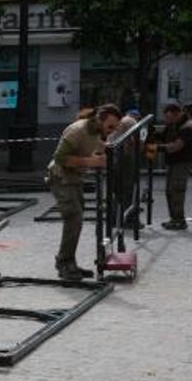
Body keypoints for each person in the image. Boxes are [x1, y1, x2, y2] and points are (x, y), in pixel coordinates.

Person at [46, 104, 123, 280]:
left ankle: (68, 262)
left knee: (76, 220)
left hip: (73, 178)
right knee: (74, 218)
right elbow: (60, 158)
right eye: (110, 127)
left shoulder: (95, 131)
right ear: (99, 120)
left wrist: (107, 148)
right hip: (61, 178)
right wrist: (92, 162)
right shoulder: (77, 130)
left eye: (114, 128)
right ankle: (65, 263)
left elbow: (97, 144)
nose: (111, 130)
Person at [154, 102, 192, 230]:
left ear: (175, 114)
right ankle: (174, 219)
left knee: (176, 190)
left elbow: (177, 146)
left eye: (168, 117)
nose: (166, 120)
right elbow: (162, 136)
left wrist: (157, 147)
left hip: (182, 161)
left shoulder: (188, 126)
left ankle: (179, 220)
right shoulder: (174, 124)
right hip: (173, 161)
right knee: (169, 191)